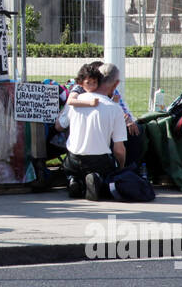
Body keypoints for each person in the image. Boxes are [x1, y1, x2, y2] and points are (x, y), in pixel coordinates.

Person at [55, 62, 128, 200]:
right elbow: (119, 150)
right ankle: (96, 178)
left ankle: (74, 180)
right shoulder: (114, 108)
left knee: (71, 166)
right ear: (116, 84)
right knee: (108, 167)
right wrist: (121, 167)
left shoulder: (75, 100)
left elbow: (59, 126)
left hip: (74, 158)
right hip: (99, 160)